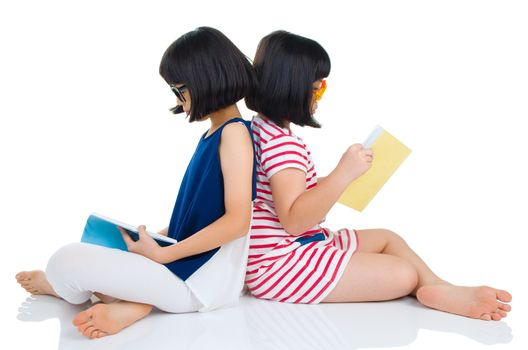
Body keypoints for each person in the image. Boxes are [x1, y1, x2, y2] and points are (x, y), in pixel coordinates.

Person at [244, 30, 512, 321]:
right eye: (318, 87)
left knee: (387, 239)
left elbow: (290, 196)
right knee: (403, 274)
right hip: (281, 264)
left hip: (296, 246)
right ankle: (429, 286)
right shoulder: (283, 145)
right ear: (293, 87)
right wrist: (343, 175)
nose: (320, 95)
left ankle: (439, 287)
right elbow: (295, 220)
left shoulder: (264, 131)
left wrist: (343, 178)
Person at [16, 26, 257, 339]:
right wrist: (155, 241)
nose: (179, 99)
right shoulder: (214, 134)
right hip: (184, 272)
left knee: (63, 261)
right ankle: (132, 301)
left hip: (199, 284)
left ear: (205, 80)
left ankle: (69, 290)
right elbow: (199, 220)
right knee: (98, 253)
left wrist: (163, 255)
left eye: (180, 89)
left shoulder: (234, 133)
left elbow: (238, 222)